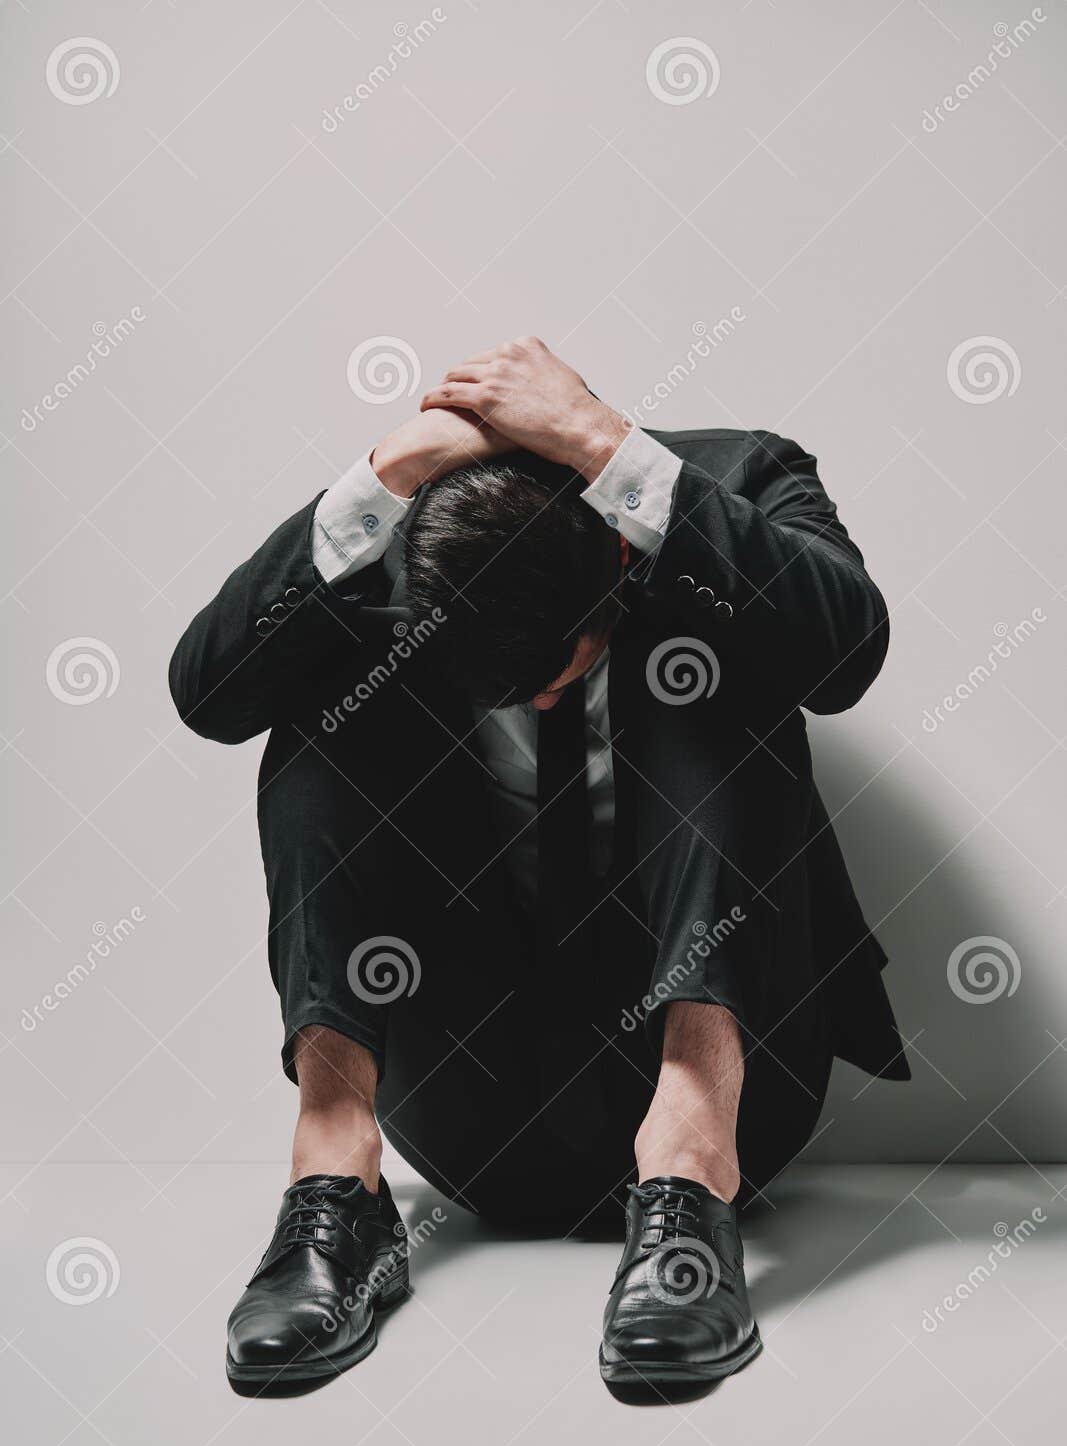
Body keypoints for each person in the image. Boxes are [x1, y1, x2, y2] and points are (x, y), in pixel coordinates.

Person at [169, 336, 909, 1392]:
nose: (539, 703)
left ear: (612, 562)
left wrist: (605, 446)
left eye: (555, 676)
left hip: (737, 1084)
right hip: (478, 1105)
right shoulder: (403, 538)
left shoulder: (736, 474)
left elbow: (843, 658)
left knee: (722, 651)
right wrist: (385, 470)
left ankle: (686, 1170)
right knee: (320, 694)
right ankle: (335, 1186)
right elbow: (209, 694)